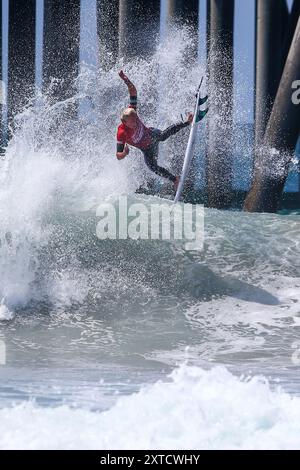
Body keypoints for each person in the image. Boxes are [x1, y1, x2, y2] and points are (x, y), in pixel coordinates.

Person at [116, 70, 194, 190]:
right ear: (124, 122)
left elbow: (133, 91)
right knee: (153, 167)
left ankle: (186, 122)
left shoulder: (132, 112)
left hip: (152, 134)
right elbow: (118, 156)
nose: (136, 121)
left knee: (162, 136)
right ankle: (175, 180)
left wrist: (125, 79)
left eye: (136, 118)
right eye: (133, 121)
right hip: (147, 149)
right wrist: (125, 153)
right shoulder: (122, 133)